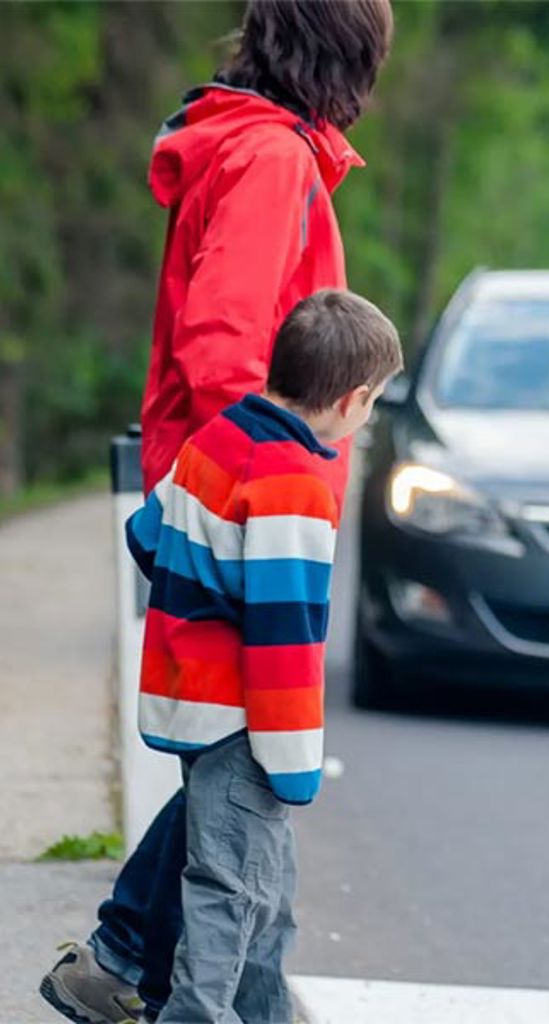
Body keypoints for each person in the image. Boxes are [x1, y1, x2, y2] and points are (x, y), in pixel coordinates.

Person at [39, 2, 393, 1022]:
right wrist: (278, 482)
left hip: (220, 486)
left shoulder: (255, 148)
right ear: (347, 54)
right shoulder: (271, 160)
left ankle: (121, 962)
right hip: (248, 502)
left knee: (226, 764)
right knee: (242, 765)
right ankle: (147, 972)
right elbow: (222, 346)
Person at [133, 289, 401, 1023]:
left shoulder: (218, 438)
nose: (368, 418)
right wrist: (293, 762)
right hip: (245, 724)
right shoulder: (294, 485)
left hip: (188, 695)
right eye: (373, 404)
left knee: (266, 889)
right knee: (228, 890)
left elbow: (146, 533)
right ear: (351, 400)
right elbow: (283, 638)